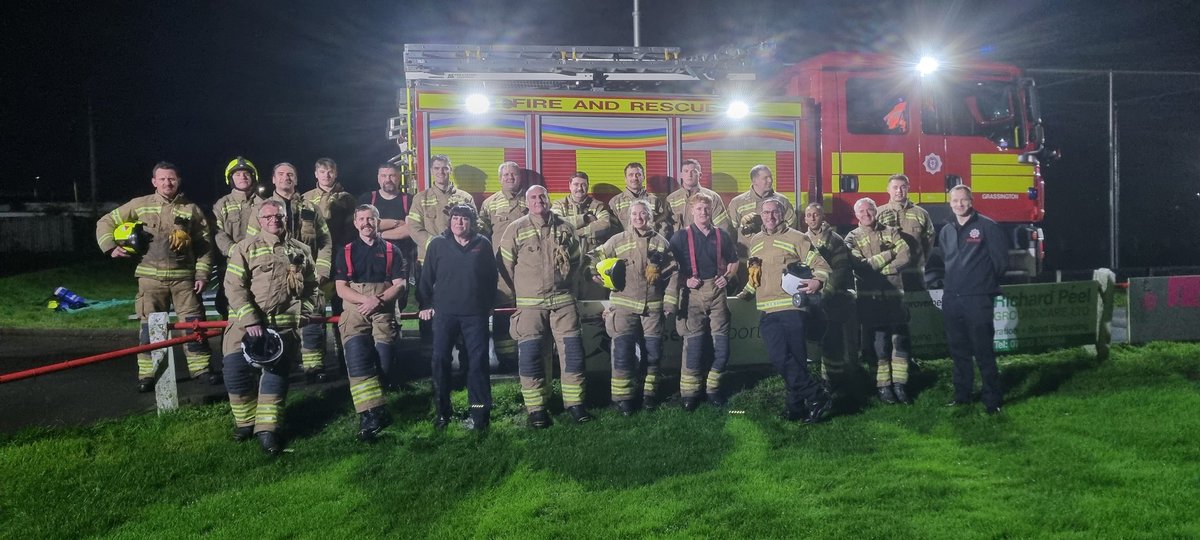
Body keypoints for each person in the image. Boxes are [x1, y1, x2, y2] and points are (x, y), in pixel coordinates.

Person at [95, 161, 216, 392]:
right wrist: (110, 247)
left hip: (185, 280)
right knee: (149, 328)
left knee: (194, 325)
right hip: (150, 281)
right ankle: (148, 375)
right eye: (162, 179)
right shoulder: (140, 205)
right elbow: (106, 222)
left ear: (178, 180)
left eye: (171, 178)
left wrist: (202, 274)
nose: (167, 183)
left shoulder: (192, 209)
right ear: (154, 182)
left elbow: (205, 246)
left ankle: (201, 370)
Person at [221, 200, 320, 454]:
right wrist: (251, 319)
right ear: (260, 220)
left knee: (274, 380)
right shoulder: (245, 248)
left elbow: (312, 287)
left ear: (286, 218)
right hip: (244, 325)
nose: (274, 220)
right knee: (235, 372)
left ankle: (267, 430)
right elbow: (233, 286)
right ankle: (245, 423)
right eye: (268, 217)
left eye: (279, 216)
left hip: (283, 327)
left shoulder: (301, 250)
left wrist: (306, 311)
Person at [497, 185, 591, 428]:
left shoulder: (566, 228)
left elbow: (578, 263)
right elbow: (504, 268)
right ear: (527, 203)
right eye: (533, 197)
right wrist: (515, 298)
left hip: (563, 303)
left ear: (549, 200)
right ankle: (536, 408)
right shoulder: (515, 229)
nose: (539, 201)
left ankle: (575, 404)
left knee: (573, 356)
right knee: (531, 358)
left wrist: (571, 292)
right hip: (530, 306)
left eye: (542, 197)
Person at [739, 197, 832, 423]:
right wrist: (745, 292)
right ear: (761, 215)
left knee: (796, 359)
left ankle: (796, 406)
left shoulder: (798, 238)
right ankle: (816, 395)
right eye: (766, 212)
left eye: (775, 212)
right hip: (767, 311)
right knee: (780, 358)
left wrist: (817, 282)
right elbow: (755, 274)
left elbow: (821, 266)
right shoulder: (756, 241)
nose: (770, 216)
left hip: (792, 309)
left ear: (783, 214)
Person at [247, 163, 333, 383]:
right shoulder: (261, 210)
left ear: (296, 180)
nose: (286, 178)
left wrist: (321, 268)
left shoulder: (311, 208)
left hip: (307, 274)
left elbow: (325, 240)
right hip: (273, 278)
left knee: (312, 318)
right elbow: (251, 245)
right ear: (273, 179)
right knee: (276, 319)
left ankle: (314, 367)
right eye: (281, 174)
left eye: (291, 175)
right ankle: (277, 360)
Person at [592, 200, 677, 415]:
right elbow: (593, 258)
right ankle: (623, 399)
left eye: (643, 214)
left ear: (650, 216)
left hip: (653, 307)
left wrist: (669, 302)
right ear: (629, 217)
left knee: (653, 354)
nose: (639, 218)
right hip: (623, 306)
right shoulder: (617, 240)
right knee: (623, 353)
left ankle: (649, 395)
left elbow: (674, 274)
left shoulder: (662, 243)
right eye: (635, 214)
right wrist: (597, 276)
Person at [418, 204, 498, 430]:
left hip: (475, 314)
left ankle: (480, 414)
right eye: (455, 219)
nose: (459, 223)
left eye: (464, 219)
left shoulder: (482, 244)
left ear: (471, 221)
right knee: (440, 361)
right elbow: (426, 277)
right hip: (445, 314)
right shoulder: (437, 245)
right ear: (449, 221)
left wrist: (489, 304)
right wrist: (425, 303)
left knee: (478, 363)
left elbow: (491, 277)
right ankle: (443, 412)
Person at [333, 204, 406, 441]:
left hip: (383, 308)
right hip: (355, 308)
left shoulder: (392, 250)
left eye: (370, 219)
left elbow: (400, 284)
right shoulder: (346, 251)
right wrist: (365, 300)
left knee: (384, 362)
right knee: (357, 359)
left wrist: (378, 300)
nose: (366, 223)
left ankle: (378, 408)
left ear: (378, 222)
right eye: (361, 219)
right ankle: (369, 415)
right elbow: (340, 287)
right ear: (355, 223)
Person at [940, 185, 1007, 414]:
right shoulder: (947, 229)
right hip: (952, 299)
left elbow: (1000, 263)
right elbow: (946, 262)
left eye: (963, 200)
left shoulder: (987, 226)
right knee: (958, 351)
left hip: (978, 299)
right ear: (950, 203)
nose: (959, 204)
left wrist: (981, 285)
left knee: (983, 351)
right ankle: (962, 395)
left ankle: (992, 399)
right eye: (955, 200)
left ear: (972, 200)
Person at [668, 192, 738, 410]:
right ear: (691, 211)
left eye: (706, 209)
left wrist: (726, 277)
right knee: (694, 348)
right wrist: (685, 280)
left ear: (711, 210)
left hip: (717, 294)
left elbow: (734, 262)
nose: (703, 212)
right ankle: (689, 394)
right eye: (699, 209)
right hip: (692, 296)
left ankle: (712, 390)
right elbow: (670, 269)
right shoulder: (680, 237)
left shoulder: (721, 235)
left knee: (722, 349)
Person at [845, 197, 913, 404]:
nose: (866, 214)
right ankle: (883, 387)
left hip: (894, 297)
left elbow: (906, 254)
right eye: (862, 211)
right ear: (856, 215)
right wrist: (889, 253)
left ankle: (900, 385)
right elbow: (860, 266)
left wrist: (885, 269)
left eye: (870, 210)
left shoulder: (891, 231)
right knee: (880, 345)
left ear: (876, 211)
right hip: (870, 300)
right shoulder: (851, 238)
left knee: (899, 341)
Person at [478, 161, 528, 368]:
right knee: (503, 310)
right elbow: (481, 232)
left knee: (529, 311)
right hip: (501, 268)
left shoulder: (532, 199)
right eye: (505, 175)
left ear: (520, 177)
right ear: (499, 179)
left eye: (513, 174)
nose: (509, 177)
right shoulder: (490, 203)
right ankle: (505, 358)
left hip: (528, 267)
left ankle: (528, 354)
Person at [802, 202, 854, 392]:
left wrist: (827, 292)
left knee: (833, 340)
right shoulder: (802, 239)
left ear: (823, 217)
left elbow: (840, 270)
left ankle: (835, 379)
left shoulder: (835, 239)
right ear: (805, 219)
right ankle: (817, 381)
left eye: (816, 214)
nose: (813, 218)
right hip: (811, 298)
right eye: (809, 215)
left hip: (832, 298)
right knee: (815, 338)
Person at [551, 171, 617, 300]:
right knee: (569, 302)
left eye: (583, 185)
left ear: (587, 186)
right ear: (569, 186)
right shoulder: (559, 204)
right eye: (576, 184)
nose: (579, 188)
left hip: (592, 260)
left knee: (594, 301)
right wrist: (585, 218)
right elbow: (556, 224)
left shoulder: (597, 205)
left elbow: (605, 224)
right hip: (568, 262)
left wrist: (575, 232)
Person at [213, 157, 264, 319]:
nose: (242, 177)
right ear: (230, 179)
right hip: (230, 265)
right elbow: (217, 232)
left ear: (253, 177)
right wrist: (234, 250)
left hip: (258, 265)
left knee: (260, 306)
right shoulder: (222, 204)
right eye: (237, 174)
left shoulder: (264, 203)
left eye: (246, 174)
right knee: (230, 309)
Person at [729, 164, 795, 287]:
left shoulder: (782, 201)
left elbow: (793, 231)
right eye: (765, 178)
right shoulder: (737, 203)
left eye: (771, 177)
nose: (770, 180)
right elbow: (730, 235)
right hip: (747, 264)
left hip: (776, 262)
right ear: (754, 180)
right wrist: (742, 224)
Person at [877, 174, 934, 291]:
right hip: (888, 277)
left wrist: (921, 262)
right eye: (895, 187)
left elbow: (929, 240)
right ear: (888, 189)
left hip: (914, 275)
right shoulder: (878, 213)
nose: (899, 191)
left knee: (917, 308)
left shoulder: (921, 214)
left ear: (908, 188)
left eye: (903, 187)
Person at [666, 159, 731, 234]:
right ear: (681, 175)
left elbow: (723, 227)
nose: (689, 175)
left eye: (693, 171)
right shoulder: (671, 199)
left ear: (700, 175)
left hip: (705, 243)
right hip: (679, 244)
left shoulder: (713, 197)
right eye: (686, 171)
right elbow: (666, 228)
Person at [607, 162, 672, 236]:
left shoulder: (655, 200)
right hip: (625, 246)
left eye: (638, 175)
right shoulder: (615, 202)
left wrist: (658, 243)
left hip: (650, 245)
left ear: (643, 177)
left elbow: (663, 225)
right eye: (630, 175)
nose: (634, 178)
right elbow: (611, 230)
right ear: (625, 179)